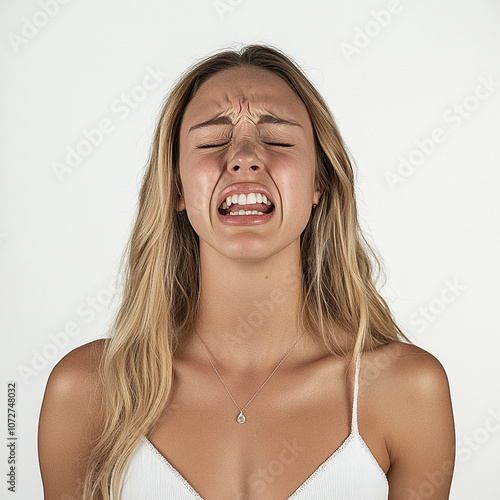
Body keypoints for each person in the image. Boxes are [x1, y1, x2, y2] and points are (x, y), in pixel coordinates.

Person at [38, 44, 455, 500]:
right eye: (213, 140)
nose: (243, 157)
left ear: (320, 182)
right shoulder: (86, 392)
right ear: (176, 186)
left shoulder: (408, 392)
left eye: (277, 139)